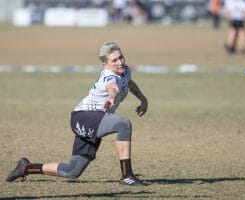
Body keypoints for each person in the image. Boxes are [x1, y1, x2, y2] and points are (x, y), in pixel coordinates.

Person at [5, 42, 149, 186]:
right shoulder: (108, 77)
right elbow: (113, 87)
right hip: (84, 117)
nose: (120, 62)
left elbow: (129, 82)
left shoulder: (125, 70)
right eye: (114, 60)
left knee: (72, 171)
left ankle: (26, 167)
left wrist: (143, 99)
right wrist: (112, 97)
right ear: (105, 65)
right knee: (123, 124)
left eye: (121, 57)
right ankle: (126, 175)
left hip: (95, 119)